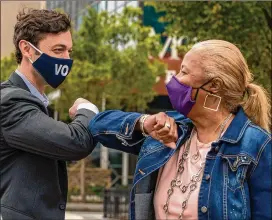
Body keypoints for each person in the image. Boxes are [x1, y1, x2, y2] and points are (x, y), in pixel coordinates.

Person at [89, 40, 271, 220]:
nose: (174, 79)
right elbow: (97, 126)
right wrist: (144, 122)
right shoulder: (167, 130)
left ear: (214, 85)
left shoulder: (256, 144)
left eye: (184, 71)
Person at [0, 9, 99, 219]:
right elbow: (75, 143)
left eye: (69, 51)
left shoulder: (34, 102)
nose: (66, 59)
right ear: (27, 48)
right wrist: (87, 111)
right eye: (58, 50)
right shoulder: (11, 102)